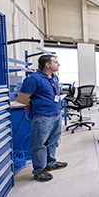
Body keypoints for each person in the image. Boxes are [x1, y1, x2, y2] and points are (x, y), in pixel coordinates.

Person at [16, 54, 67, 182]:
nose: (58, 64)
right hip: (41, 116)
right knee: (39, 144)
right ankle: (39, 170)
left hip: (55, 114)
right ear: (47, 65)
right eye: (55, 62)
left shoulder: (54, 77)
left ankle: (50, 163)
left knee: (52, 141)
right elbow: (21, 98)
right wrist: (30, 104)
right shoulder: (34, 78)